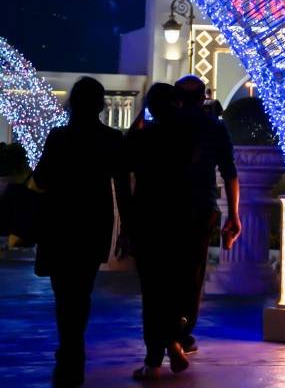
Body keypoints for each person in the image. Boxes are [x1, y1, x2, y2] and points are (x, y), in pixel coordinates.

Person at [32, 77, 129, 387]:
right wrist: (127, 229)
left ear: (73, 102)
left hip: (60, 220)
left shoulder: (59, 137)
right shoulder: (112, 139)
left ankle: (69, 345)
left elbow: (43, 177)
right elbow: (123, 189)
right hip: (92, 220)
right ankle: (75, 344)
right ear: (100, 104)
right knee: (82, 287)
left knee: (63, 291)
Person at [173, 76, 240, 362]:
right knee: (193, 272)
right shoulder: (214, 127)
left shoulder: (166, 126)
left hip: (168, 207)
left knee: (166, 271)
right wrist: (233, 214)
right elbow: (229, 171)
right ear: (204, 97)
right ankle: (183, 331)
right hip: (201, 207)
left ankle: (167, 331)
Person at [126, 82, 189, 378]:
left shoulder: (144, 138)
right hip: (179, 219)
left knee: (153, 292)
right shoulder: (187, 137)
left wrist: (142, 115)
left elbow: (127, 150)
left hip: (148, 219)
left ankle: (155, 358)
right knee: (174, 288)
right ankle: (174, 340)